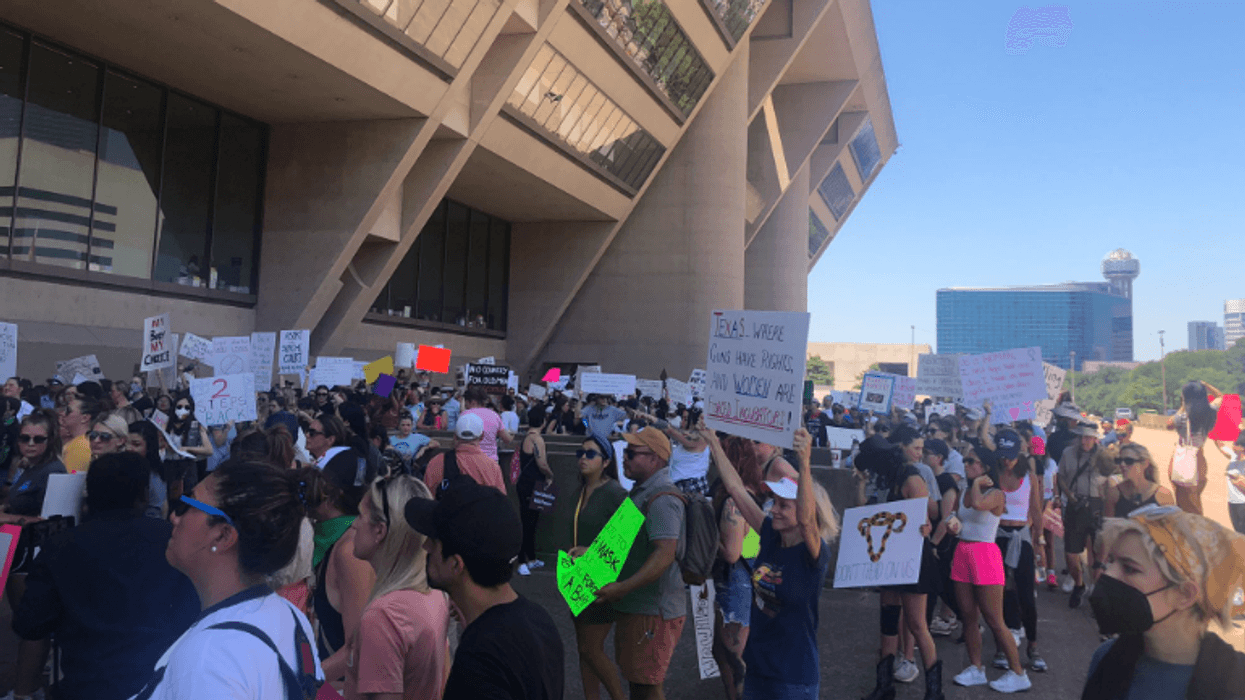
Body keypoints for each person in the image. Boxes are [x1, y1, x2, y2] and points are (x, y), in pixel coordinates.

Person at [13, 452, 199, 700]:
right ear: (144, 495)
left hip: (86, 687)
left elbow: (31, 624)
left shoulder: (61, 546)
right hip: (163, 686)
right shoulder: (173, 540)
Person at [131, 459, 324, 698]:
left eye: (187, 503)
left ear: (223, 536)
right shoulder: (291, 617)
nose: (173, 516)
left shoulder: (210, 659)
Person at [703, 427, 838, 700]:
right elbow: (736, 489)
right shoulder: (769, 535)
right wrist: (713, 443)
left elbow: (807, 522)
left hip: (793, 677)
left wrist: (805, 461)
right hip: (757, 668)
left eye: (783, 505)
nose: (773, 508)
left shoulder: (812, 554)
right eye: (774, 502)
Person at [405, 480, 565, 700]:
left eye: (433, 540)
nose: (425, 547)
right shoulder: (539, 619)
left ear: (455, 565)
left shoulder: (478, 662)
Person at [1082, 506, 1245, 699]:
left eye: (1129, 568)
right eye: (1110, 561)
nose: (1107, 574)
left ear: (1184, 594)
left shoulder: (1235, 684)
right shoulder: (1107, 659)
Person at [592, 426, 685, 700]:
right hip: (640, 607)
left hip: (652, 610)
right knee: (638, 681)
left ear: (655, 458)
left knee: (646, 686)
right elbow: (633, 544)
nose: (625, 458)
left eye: (632, 453)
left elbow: (664, 554)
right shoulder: (643, 492)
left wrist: (621, 588)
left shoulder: (662, 498)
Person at [344, 475, 450, 700]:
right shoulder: (436, 597)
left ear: (380, 531)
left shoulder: (384, 616)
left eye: (360, 516)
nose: (353, 524)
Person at [855, 434, 943, 700]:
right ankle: (884, 686)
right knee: (888, 619)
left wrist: (925, 525)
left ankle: (934, 692)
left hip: (913, 556)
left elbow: (923, 517)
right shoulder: (886, 478)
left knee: (916, 623)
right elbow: (866, 515)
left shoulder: (911, 476)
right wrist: (861, 484)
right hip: (890, 555)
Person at [948, 447, 1031, 692]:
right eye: (965, 460)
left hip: (985, 554)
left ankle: (1018, 672)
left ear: (984, 468)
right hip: (963, 550)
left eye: (971, 461)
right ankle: (976, 667)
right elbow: (959, 517)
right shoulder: (964, 490)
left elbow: (978, 504)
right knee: (968, 616)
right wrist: (952, 525)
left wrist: (975, 485)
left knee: (995, 619)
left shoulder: (995, 494)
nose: (965, 464)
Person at [298, 449, 377, 682]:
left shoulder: (349, 552)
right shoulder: (330, 538)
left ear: (331, 495)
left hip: (338, 688)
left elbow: (358, 649)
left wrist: (303, 683)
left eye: (316, 482)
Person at [566, 435, 629, 700]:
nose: (583, 457)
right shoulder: (579, 490)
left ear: (605, 461)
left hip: (602, 580)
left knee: (592, 649)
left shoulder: (615, 492)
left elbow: (629, 538)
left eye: (590, 454)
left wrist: (591, 552)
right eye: (581, 452)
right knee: (584, 649)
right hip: (577, 578)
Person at [703, 436, 765, 700]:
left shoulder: (733, 501)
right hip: (739, 581)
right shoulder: (747, 492)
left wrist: (703, 539)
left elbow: (731, 553)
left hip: (735, 583)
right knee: (722, 651)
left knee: (734, 658)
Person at [986, 428, 1045, 675]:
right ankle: (1003, 645)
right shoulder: (993, 475)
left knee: (1026, 596)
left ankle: (1032, 645)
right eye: (1003, 456)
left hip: (1022, 538)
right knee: (1002, 593)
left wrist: (1039, 542)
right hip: (997, 536)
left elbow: (1037, 511)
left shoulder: (1028, 477)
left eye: (1010, 456)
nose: (1006, 461)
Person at [1057, 420, 1115, 608]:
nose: (1085, 441)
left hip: (1097, 503)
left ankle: (1097, 591)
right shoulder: (1068, 453)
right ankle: (1079, 583)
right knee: (1071, 553)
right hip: (1076, 503)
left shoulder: (1102, 454)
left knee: (1099, 552)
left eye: (1089, 437)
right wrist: (1067, 495)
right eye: (1082, 437)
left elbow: (1111, 474)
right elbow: (1060, 477)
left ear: (1095, 438)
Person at [1, 410, 65, 528]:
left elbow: (53, 521)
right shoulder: (31, 466)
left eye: (38, 439)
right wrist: (6, 508)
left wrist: (7, 518)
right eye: (25, 438)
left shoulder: (54, 471)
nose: (30, 443)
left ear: (49, 441)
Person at [1166, 381, 1218, 515]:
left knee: (1182, 501)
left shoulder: (1182, 417)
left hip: (1182, 456)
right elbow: (1220, 397)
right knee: (1195, 501)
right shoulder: (1210, 412)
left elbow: (1169, 424)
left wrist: (1183, 405)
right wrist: (1206, 385)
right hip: (1199, 457)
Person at [422, 413, 507, 495]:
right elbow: (501, 501)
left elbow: (428, 496)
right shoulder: (492, 467)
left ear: (455, 436)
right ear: (482, 436)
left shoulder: (437, 462)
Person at [517, 408, 557, 576]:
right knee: (529, 522)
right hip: (533, 484)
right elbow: (542, 463)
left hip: (526, 483)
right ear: (543, 422)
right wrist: (550, 475)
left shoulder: (527, 438)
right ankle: (521, 560)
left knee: (531, 521)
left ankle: (531, 558)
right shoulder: (537, 440)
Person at [1106, 443, 1175, 519]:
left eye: (1128, 461)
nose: (1122, 465)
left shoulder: (1163, 495)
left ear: (1145, 463)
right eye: (1119, 460)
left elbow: (1172, 527)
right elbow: (1108, 528)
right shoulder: (1113, 493)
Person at [126, 420, 170, 518]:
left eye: (136, 444)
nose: (128, 448)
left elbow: (155, 512)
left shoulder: (154, 476)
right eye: (126, 443)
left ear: (149, 447)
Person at [460, 387, 513, 462]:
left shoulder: (464, 415)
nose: (465, 405)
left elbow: (457, 440)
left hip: (469, 461)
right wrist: (512, 435)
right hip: (491, 461)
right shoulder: (494, 415)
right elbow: (507, 439)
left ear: (472, 402)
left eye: (466, 402)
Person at [59, 393, 101, 472]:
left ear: (85, 418)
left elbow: (72, 478)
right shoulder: (85, 441)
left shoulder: (79, 446)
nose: (62, 414)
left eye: (68, 411)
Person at [1227, 435, 1245, 535]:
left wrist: (1240, 483)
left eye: (1236, 444)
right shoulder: (1234, 457)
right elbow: (1221, 446)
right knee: (1238, 531)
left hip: (1243, 504)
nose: (1233, 445)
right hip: (1232, 503)